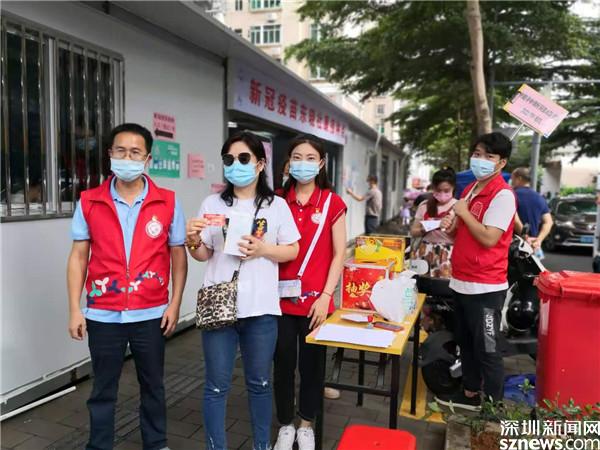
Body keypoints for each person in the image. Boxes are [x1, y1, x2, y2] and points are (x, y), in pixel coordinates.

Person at [67, 123, 188, 450]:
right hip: (103, 313)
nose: (127, 158)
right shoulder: (90, 201)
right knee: (102, 389)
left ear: (147, 159)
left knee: (153, 386)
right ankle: (99, 445)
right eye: (120, 151)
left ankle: (156, 443)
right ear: (110, 154)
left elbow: (178, 256)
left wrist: (175, 303)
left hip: (151, 312)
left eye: (135, 152)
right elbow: (78, 257)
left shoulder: (167, 202)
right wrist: (75, 309)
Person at [186, 131, 300, 450]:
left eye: (244, 158)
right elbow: (204, 254)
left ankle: (262, 445)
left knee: (259, 384)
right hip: (219, 306)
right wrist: (192, 240)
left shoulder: (276, 205)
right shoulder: (212, 203)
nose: (236, 165)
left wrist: (264, 250)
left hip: (261, 309)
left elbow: (292, 250)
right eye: (229, 159)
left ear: (260, 164)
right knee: (216, 386)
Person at [273, 134, 347, 450]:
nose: (303, 164)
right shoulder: (276, 200)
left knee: (312, 366)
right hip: (278, 301)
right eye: (297, 157)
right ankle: (285, 424)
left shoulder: (332, 202)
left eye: (310, 158)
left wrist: (326, 296)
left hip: (317, 302)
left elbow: (339, 253)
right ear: (288, 163)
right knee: (282, 364)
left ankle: (306, 424)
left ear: (321, 163)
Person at [437, 132, 516, 410]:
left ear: (501, 163)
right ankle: (469, 393)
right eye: (477, 154)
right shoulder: (470, 189)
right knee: (466, 343)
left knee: (488, 349)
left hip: (486, 287)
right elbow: (461, 234)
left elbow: (489, 238)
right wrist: (451, 224)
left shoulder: (502, 195)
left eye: (488, 156)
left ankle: (493, 408)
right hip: (461, 281)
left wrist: (464, 213)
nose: (480, 160)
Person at [410, 167, 457, 278]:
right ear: (433, 188)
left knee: (444, 286)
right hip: (424, 251)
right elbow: (413, 231)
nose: (442, 194)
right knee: (420, 284)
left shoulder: (459, 207)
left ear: (453, 188)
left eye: (446, 191)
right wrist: (426, 228)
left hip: (448, 254)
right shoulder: (424, 206)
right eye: (438, 190)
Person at [510, 167, 553, 257]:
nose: (511, 181)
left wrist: (526, 238)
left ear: (519, 178)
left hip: (512, 246)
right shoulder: (539, 198)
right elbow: (548, 222)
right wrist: (539, 240)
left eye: (512, 178)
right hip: (533, 247)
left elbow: (514, 219)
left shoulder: (510, 195)